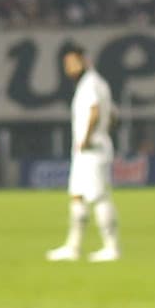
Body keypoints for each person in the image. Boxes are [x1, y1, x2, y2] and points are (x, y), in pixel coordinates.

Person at [47, 46, 118, 262]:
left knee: (98, 196)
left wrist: (88, 138)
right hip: (90, 149)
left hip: (91, 149)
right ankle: (73, 246)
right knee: (77, 195)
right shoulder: (99, 84)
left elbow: (95, 111)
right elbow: (113, 114)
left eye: (72, 63)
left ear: (84, 61)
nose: (68, 68)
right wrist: (105, 133)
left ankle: (111, 247)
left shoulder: (90, 85)